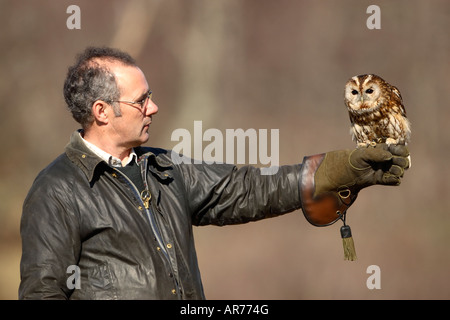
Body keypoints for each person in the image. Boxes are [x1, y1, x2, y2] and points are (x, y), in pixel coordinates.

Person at [19, 46, 410, 300]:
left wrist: (341, 172)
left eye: (150, 96)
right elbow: (42, 293)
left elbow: (247, 189)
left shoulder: (164, 169)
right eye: (141, 101)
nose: (153, 108)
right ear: (102, 111)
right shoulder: (57, 191)